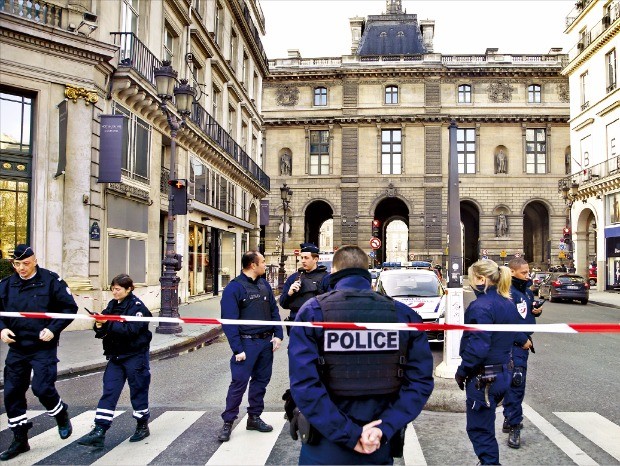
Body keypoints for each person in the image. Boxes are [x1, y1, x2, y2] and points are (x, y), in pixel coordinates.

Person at [288, 245, 434, 464]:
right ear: (369, 275)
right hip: (378, 441)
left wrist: (348, 434)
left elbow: (305, 385)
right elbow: (420, 382)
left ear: (334, 272)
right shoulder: (404, 315)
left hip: (325, 445)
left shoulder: (313, 311)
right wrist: (385, 427)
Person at [0, 245, 78, 461]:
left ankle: (60, 413)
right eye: (17, 264)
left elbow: (70, 308)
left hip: (42, 345)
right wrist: (2, 329)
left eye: (25, 263)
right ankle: (20, 439)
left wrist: (52, 329)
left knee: (42, 388)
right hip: (17, 346)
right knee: (12, 393)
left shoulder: (51, 281)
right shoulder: (6, 285)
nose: (21, 268)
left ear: (35, 260)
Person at [455, 259, 520, 465]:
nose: (471, 282)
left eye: (472, 278)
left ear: (482, 279)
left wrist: (463, 371)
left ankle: (490, 463)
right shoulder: (507, 302)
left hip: (484, 378)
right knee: (486, 423)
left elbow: (478, 347)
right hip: (504, 372)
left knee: (479, 429)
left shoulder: (480, 306)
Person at [76, 274, 152, 448]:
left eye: (118, 289)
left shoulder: (137, 308)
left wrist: (107, 324)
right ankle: (99, 430)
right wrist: (99, 325)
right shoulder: (112, 305)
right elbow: (103, 328)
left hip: (135, 356)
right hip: (116, 357)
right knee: (109, 391)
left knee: (138, 390)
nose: (114, 292)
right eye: (112, 289)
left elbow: (131, 330)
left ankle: (142, 425)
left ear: (129, 289)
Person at [217, 251, 284, 442]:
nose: (265, 265)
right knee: (239, 383)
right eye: (263, 262)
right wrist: (237, 349)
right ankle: (228, 422)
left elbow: (273, 310)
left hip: (265, 343)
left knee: (261, 382)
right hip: (246, 342)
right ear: (253, 265)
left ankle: (254, 417)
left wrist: (278, 334)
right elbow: (229, 321)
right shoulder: (234, 288)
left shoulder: (264, 285)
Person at [502, 257, 542, 449]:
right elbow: (505, 321)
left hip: (522, 345)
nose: (528, 275)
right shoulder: (507, 293)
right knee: (515, 383)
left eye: (528, 272)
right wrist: (522, 338)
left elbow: (523, 312)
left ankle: (510, 417)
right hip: (513, 344)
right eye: (524, 273)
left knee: (515, 384)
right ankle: (514, 424)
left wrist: (535, 311)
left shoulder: (526, 291)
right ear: (512, 272)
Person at [279, 242, 329, 336]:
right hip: (296, 325)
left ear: (315, 259)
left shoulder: (326, 278)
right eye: (301, 258)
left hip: (316, 326)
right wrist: (289, 294)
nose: (303, 261)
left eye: (306, 258)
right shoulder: (294, 278)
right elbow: (283, 303)